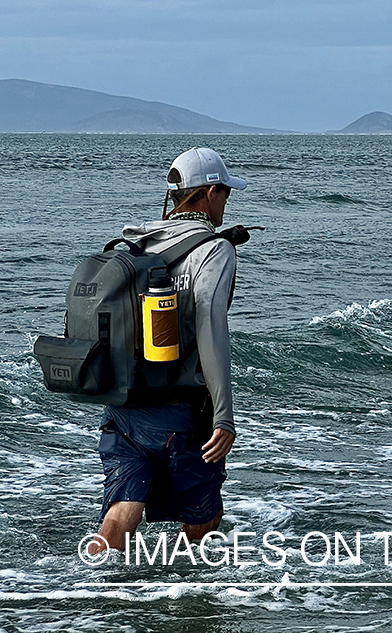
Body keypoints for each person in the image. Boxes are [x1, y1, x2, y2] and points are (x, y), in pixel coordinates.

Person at [88, 147, 246, 553]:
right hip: (178, 413)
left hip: (123, 404)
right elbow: (211, 326)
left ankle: (88, 598)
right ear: (210, 193)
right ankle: (183, 607)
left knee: (123, 510)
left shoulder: (140, 242)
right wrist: (224, 415)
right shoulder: (214, 249)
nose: (227, 202)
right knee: (204, 518)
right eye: (226, 193)